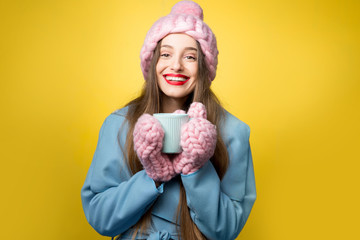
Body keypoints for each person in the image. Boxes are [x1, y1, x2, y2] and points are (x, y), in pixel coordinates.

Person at [81, 1, 256, 239]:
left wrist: (196, 167)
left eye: (190, 57)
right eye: (166, 54)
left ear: (204, 67)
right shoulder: (119, 124)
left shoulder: (233, 132)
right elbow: (101, 218)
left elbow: (225, 230)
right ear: (153, 63)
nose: (176, 65)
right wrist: (152, 175)